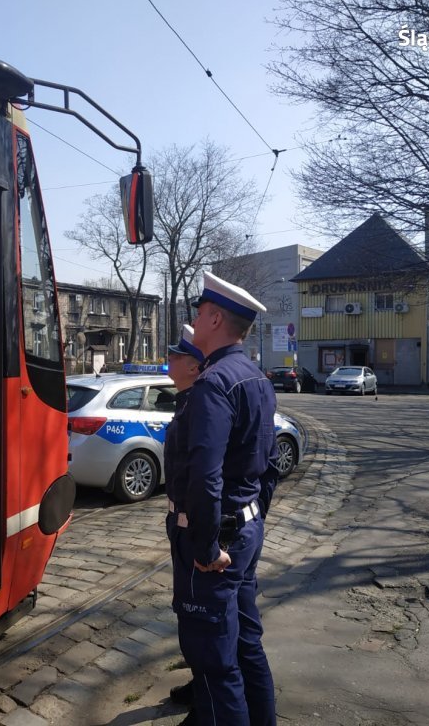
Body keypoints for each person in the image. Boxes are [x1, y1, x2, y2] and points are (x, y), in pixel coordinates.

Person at [172, 271, 279, 726]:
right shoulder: (257, 378)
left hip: (218, 543)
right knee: (245, 643)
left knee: (214, 663)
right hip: (245, 529)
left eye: (199, 314)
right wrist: (253, 521)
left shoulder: (215, 384)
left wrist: (206, 544)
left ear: (215, 318)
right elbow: (269, 466)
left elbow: (206, 475)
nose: (195, 321)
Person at [162, 324, 204, 708]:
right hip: (180, 522)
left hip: (193, 527)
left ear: (193, 366)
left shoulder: (199, 406)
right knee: (187, 609)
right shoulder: (185, 401)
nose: (169, 358)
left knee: (197, 613)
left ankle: (205, 694)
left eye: (176, 355)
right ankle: (200, 682)